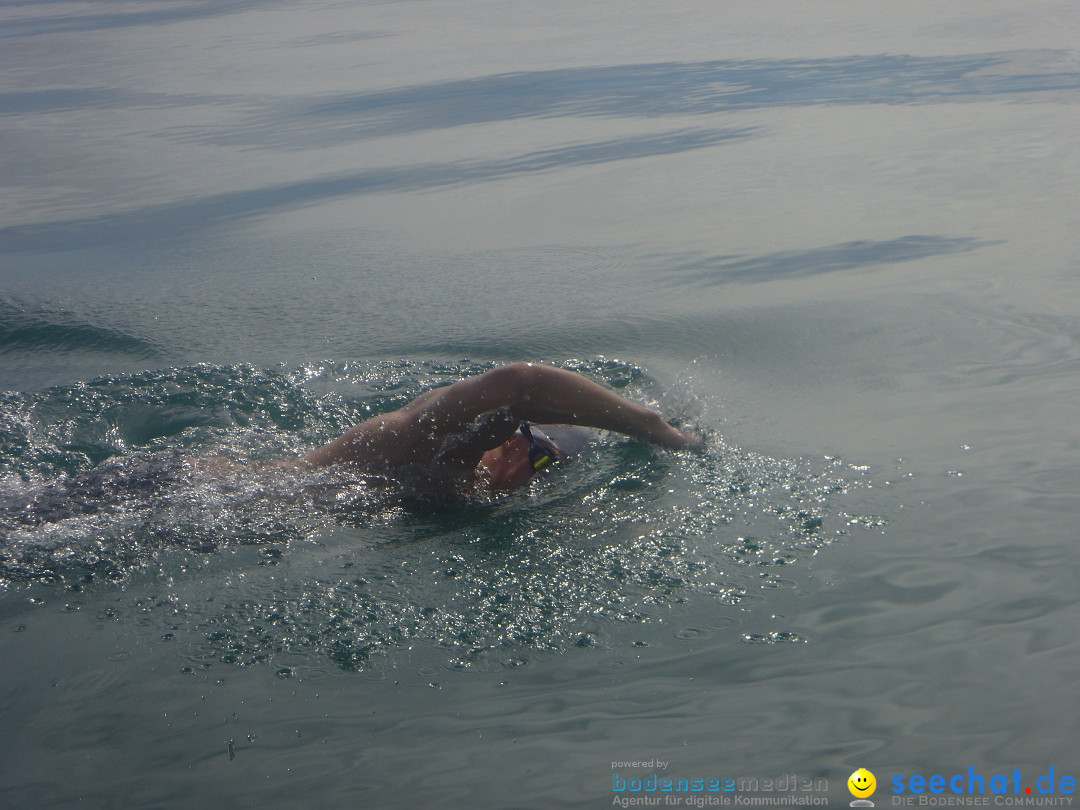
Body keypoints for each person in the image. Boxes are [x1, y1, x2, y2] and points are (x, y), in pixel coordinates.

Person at [299, 362, 699, 491]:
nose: (538, 476)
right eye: (542, 461)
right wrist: (652, 426)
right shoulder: (417, 437)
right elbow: (518, 384)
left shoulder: (456, 482)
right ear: (510, 439)